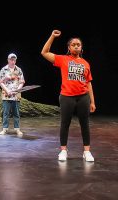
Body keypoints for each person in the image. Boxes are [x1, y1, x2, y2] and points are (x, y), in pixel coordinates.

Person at [41, 30, 96, 162]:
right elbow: (44, 52)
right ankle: (63, 150)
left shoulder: (86, 63)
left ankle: (87, 152)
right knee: (65, 124)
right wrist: (52, 37)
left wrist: (92, 102)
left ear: (81, 47)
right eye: (73, 44)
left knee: (85, 124)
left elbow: (89, 84)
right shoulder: (63, 59)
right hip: (67, 97)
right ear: (69, 48)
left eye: (78, 44)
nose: (76, 46)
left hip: (83, 97)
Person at [0, 53, 25, 136]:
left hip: (16, 95)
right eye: (11, 59)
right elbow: (0, 81)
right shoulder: (4, 69)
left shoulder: (19, 70)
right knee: (6, 113)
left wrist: (17, 90)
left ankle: (17, 129)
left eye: (14, 60)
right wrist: (7, 90)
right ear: (8, 60)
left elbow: (22, 81)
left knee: (16, 113)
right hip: (6, 94)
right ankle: (4, 129)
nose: (13, 61)